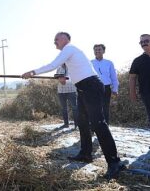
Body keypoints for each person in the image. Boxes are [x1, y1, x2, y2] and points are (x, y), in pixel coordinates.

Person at [22, 32, 123, 180]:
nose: (54, 41)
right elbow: (77, 75)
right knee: (82, 122)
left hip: (91, 86)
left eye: (57, 38)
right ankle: (85, 153)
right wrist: (65, 78)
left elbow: (52, 65)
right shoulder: (71, 54)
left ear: (66, 39)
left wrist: (32, 72)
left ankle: (115, 162)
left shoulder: (69, 48)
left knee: (98, 124)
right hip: (83, 88)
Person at [91, 44, 119, 124]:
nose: (97, 51)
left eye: (99, 49)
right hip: (93, 88)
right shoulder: (90, 63)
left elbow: (113, 76)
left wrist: (115, 89)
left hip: (106, 88)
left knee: (105, 108)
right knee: (94, 108)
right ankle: (93, 128)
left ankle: (106, 127)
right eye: (95, 50)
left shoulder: (109, 63)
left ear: (103, 51)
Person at [129, 34, 150, 127]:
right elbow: (132, 78)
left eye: (146, 41)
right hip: (146, 93)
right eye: (142, 42)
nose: (144, 43)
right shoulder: (137, 61)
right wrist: (133, 93)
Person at [55, 64, 78, 129]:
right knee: (63, 108)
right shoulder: (58, 68)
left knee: (75, 108)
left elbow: (75, 78)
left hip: (71, 90)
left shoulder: (72, 67)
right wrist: (60, 80)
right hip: (61, 91)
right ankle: (66, 124)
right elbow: (57, 77)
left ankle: (77, 124)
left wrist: (65, 80)